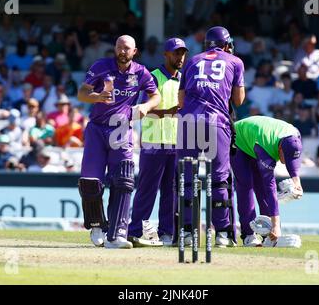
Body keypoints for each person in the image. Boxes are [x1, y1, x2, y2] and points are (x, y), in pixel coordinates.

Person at [77, 35, 161, 249]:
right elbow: (82, 93)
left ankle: (116, 235)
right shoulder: (101, 66)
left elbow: (156, 95)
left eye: (127, 48)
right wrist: (96, 97)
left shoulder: (141, 72)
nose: (123, 51)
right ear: (115, 49)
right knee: (90, 181)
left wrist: (146, 107)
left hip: (122, 131)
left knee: (123, 180)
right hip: (97, 129)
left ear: (135, 51)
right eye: (120, 47)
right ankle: (97, 226)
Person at [177, 26, 245, 247]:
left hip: (188, 122)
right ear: (226, 44)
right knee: (219, 179)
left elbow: (180, 100)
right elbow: (239, 100)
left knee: (188, 179)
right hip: (216, 123)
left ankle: (187, 232)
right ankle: (223, 233)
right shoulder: (235, 62)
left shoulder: (192, 60)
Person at [128, 38, 188, 246]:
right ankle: (135, 230)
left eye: (182, 53)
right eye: (175, 53)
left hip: (176, 143)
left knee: (171, 192)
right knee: (147, 190)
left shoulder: (185, 78)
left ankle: (166, 233)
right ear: (166, 54)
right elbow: (143, 110)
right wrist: (168, 112)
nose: (179, 57)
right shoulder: (152, 77)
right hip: (153, 143)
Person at [231, 116, 303, 247]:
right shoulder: (266, 148)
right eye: (285, 157)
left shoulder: (295, 136)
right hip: (239, 139)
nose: (286, 162)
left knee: (262, 190)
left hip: (256, 137)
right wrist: (276, 225)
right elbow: (270, 188)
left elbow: (294, 166)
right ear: (280, 149)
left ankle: (268, 235)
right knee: (246, 185)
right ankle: (248, 235)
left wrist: (297, 184)